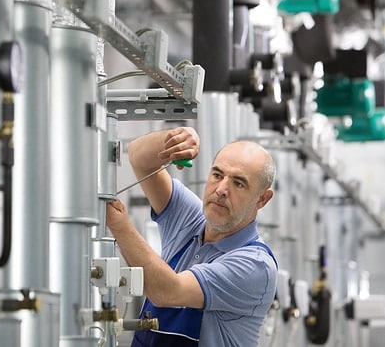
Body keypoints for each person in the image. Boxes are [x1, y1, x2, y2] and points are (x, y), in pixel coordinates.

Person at [106, 126, 278, 347]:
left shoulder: (255, 264)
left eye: (238, 183)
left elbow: (167, 292)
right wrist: (175, 138)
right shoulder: (190, 219)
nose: (222, 189)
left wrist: (120, 227)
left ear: (262, 199)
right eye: (217, 175)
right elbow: (139, 157)